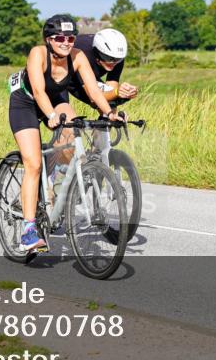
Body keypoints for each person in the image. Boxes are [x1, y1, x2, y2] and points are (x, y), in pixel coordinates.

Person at [8, 15, 123, 251]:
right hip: (26, 102)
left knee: (72, 138)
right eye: (60, 37)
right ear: (48, 39)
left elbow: (93, 91)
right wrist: (50, 116)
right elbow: (39, 92)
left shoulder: (77, 56)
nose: (66, 42)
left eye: (70, 38)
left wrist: (109, 112)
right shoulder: (37, 54)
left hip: (56, 100)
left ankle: (52, 188)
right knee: (32, 163)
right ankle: (29, 231)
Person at [68, 28, 139, 108]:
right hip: (62, 74)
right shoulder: (83, 55)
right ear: (97, 53)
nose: (113, 62)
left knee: (110, 106)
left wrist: (125, 93)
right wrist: (116, 92)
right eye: (108, 58)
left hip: (90, 73)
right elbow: (94, 97)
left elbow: (111, 91)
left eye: (118, 59)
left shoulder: (117, 57)